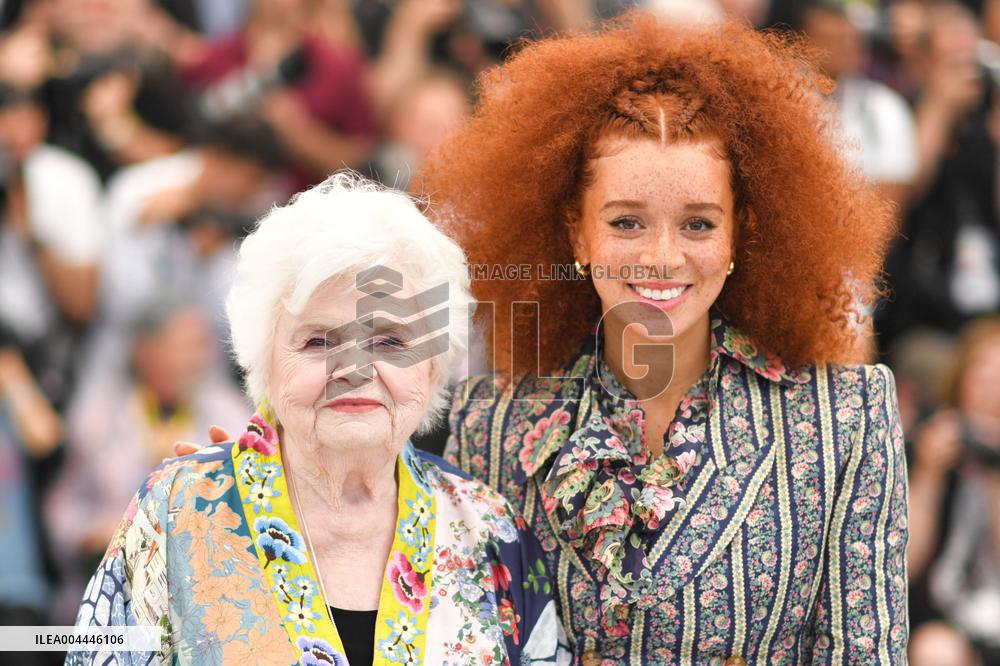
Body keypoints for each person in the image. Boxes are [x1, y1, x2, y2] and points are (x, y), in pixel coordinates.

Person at [414, 11, 907, 663]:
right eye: (627, 223)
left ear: (740, 232)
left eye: (698, 224)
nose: (662, 258)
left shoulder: (844, 419)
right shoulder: (492, 425)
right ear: (576, 233)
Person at [72, 173, 570, 665]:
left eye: (390, 341)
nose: (354, 370)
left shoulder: (489, 530)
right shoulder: (175, 510)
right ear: (264, 361)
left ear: (434, 365)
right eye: (318, 341)